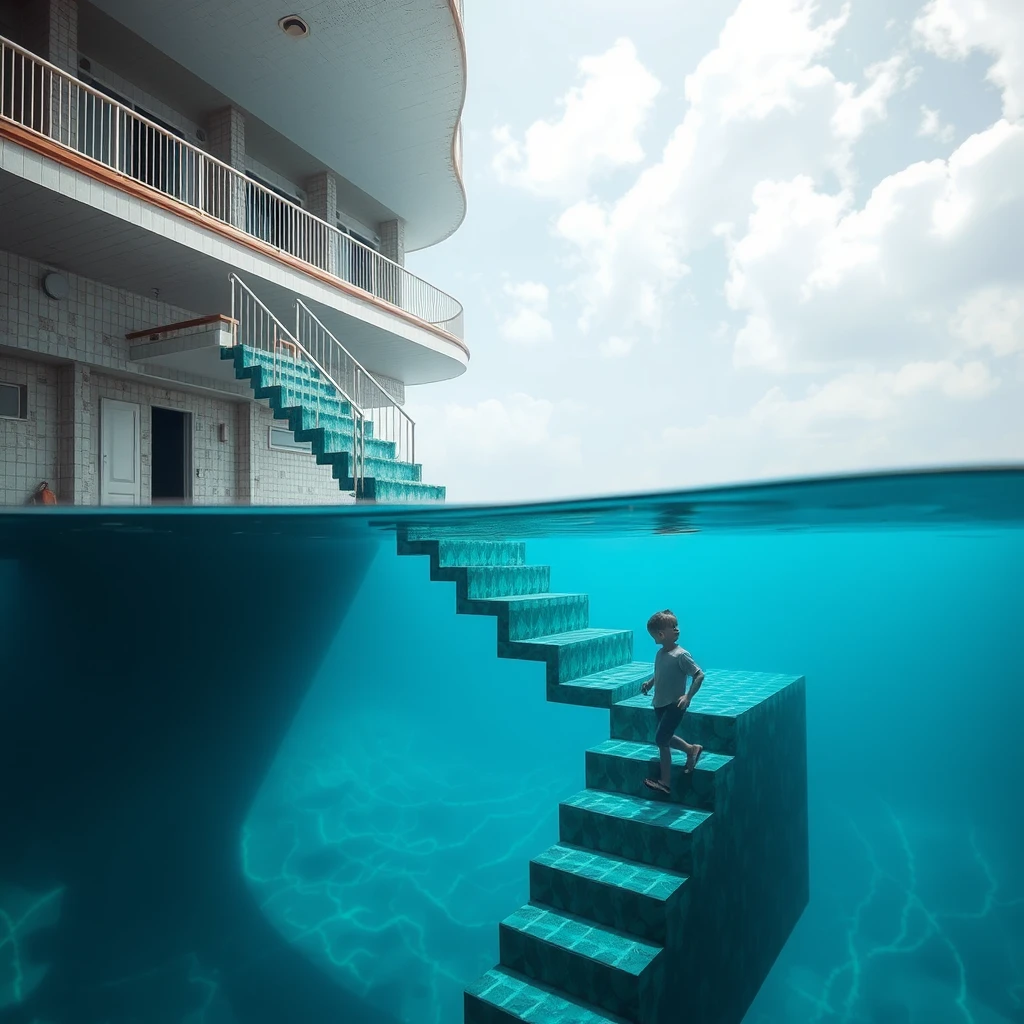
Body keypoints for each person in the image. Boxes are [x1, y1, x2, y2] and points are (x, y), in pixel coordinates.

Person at [641, 608, 704, 795]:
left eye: (676, 626)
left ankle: (665, 782)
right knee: (665, 736)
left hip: (675, 705)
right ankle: (691, 749)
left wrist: (688, 696)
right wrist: (650, 683)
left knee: (661, 740)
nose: (677, 629)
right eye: (672, 627)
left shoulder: (682, 655)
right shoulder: (660, 654)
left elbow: (699, 675)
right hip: (659, 702)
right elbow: (659, 672)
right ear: (661, 635)